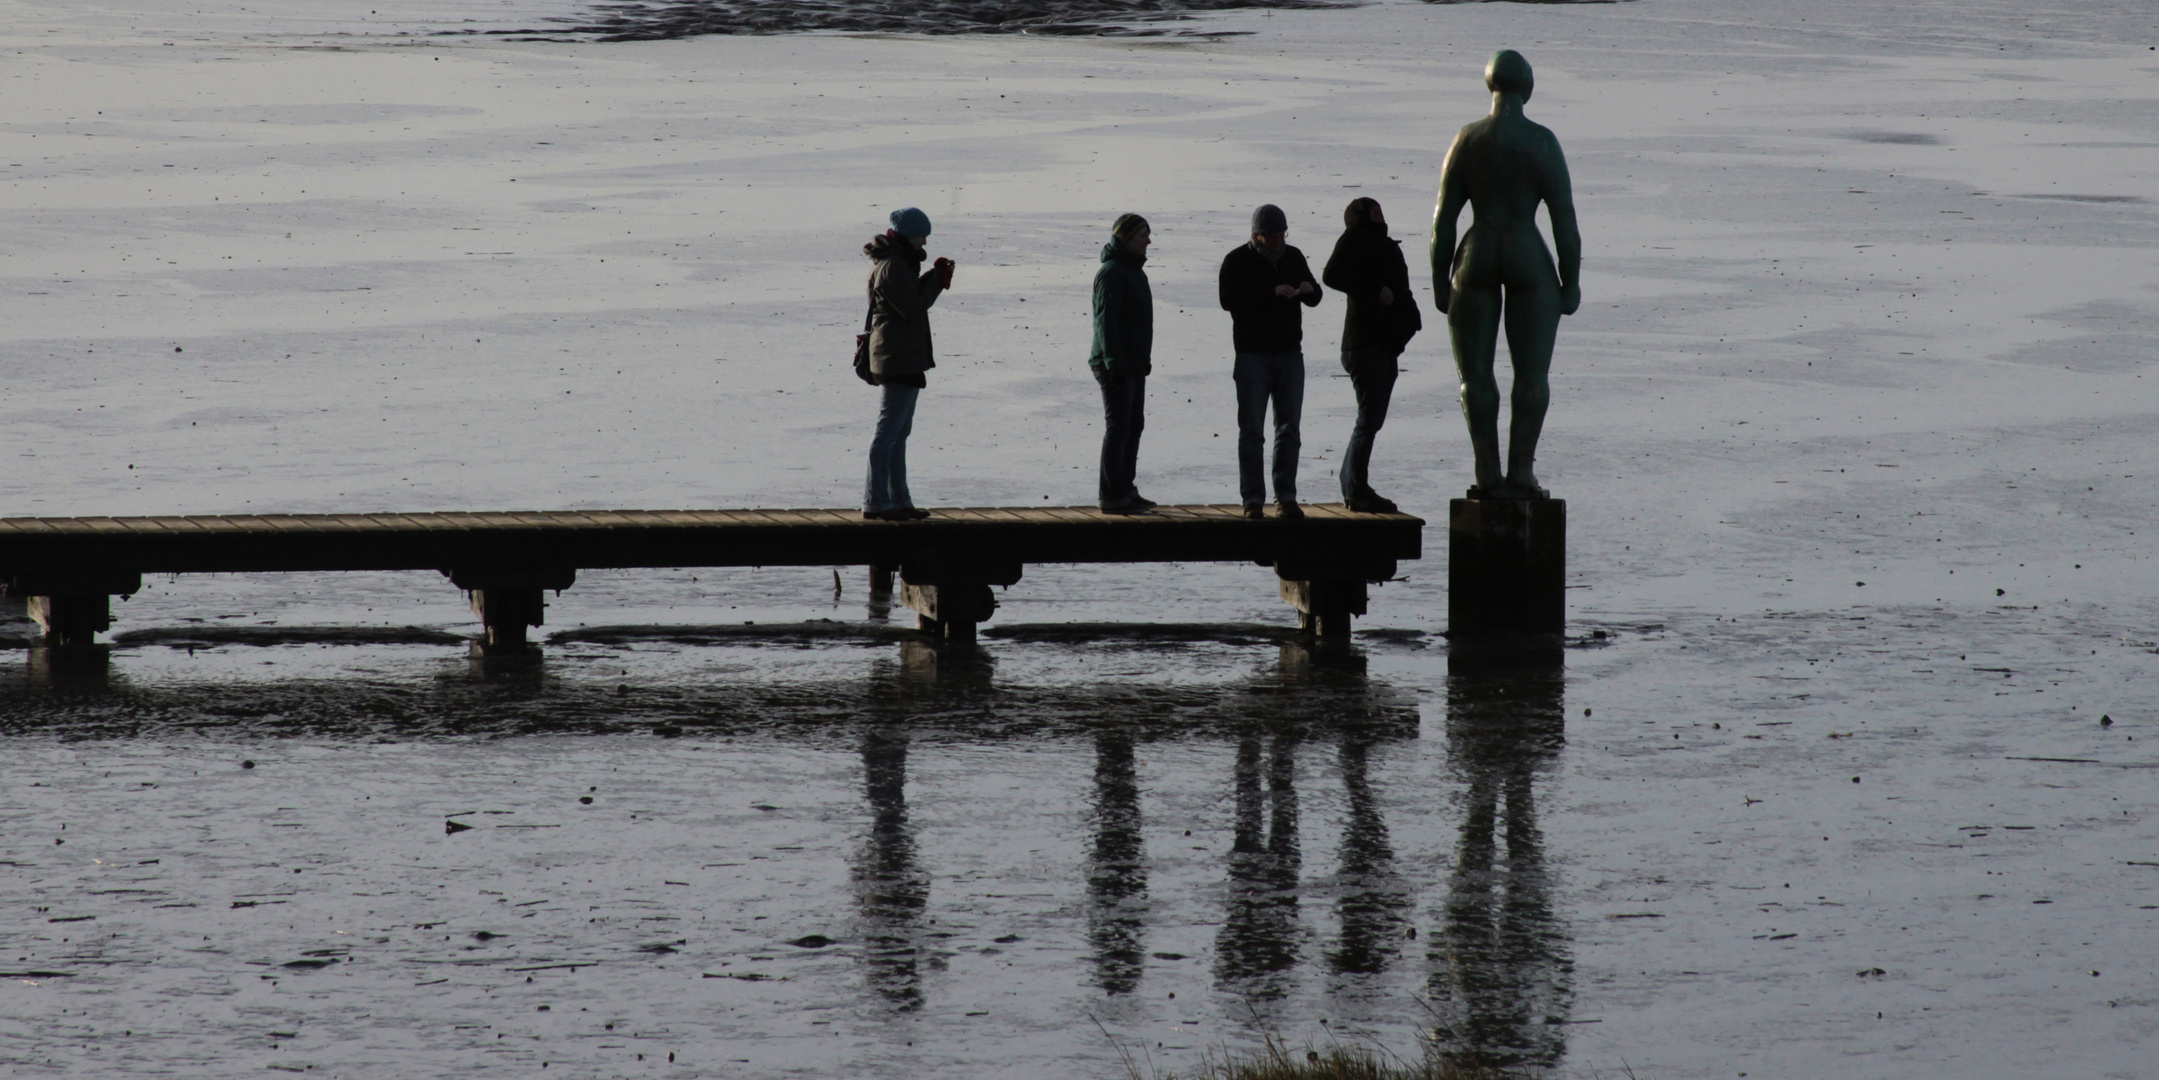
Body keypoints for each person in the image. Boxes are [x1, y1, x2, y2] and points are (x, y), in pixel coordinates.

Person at [1431, 49, 1580, 499]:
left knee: (1474, 377)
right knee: (1532, 377)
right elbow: (1564, 220)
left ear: (1490, 87)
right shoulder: (1542, 142)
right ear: (1527, 88)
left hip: (1476, 254)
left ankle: (1486, 474)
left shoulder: (1467, 139)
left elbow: (1443, 222)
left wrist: (1440, 282)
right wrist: (1570, 282)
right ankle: (1521, 473)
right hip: (1526, 253)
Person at [1218, 204, 1322, 520]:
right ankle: (1252, 500)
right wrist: (1270, 292)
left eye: (1281, 235)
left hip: (1291, 354)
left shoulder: (1294, 257)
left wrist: (1308, 289)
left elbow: (1316, 296)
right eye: (1272, 237)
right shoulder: (1236, 260)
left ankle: (1286, 498)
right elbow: (1228, 301)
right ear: (1256, 236)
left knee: (1289, 429)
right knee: (1251, 431)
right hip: (1251, 357)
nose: (1278, 242)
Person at [1321, 197, 1421, 514]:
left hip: (1380, 345)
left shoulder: (1384, 244)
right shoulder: (1356, 238)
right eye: (1373, 211)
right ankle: (1356, 489)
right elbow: (1332, 275)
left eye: (1380, 209)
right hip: (1366, 345)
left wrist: (1410, 317)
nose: (1380, 214)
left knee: (1370, 420)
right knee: (1368, 421)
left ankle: (1353, 484)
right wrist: (1374, 289)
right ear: (1361, 217)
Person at [861, 207, 953, 521]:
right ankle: (877, 502)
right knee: (887, 433)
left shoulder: (900, 263)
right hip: (896, 356)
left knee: (899, 434)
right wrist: (937, 282)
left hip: (902, 354)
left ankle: (899, 501)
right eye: (920, 234)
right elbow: (912, 307)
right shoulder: (894, 265)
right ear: (907, 234)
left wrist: (930, 277)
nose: (924, 240)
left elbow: (909, 298)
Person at [1091, 213, 1155, 514]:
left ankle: (1126, 490)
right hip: (1114, 364)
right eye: (1143, 235)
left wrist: (1142, 360)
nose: (1148, 241)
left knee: (1134, 425)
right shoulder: (1112, 272)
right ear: (1127, 239)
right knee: (1118, 427)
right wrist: (1114, 364)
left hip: (1133, 362)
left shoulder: (1133, 270)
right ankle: (1110, 495)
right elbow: (1106, 322)